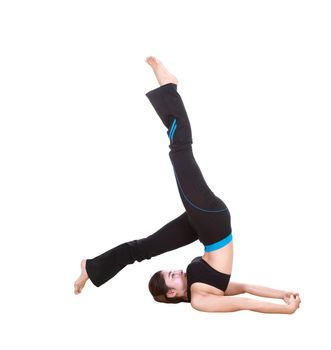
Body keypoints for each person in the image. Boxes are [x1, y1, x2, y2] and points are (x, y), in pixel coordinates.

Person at [74, 56, 301, 314]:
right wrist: (286, 309)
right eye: (171, 276)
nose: (176, 270)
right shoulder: (201, 299)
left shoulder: (198, 285)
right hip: (210, 220)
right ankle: (169, 88)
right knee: (180, 149)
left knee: (143, 248)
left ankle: (91, 268)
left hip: (202, 227)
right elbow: (243, 300)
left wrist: (282, 294)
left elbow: (248, 287)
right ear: (171, 293)